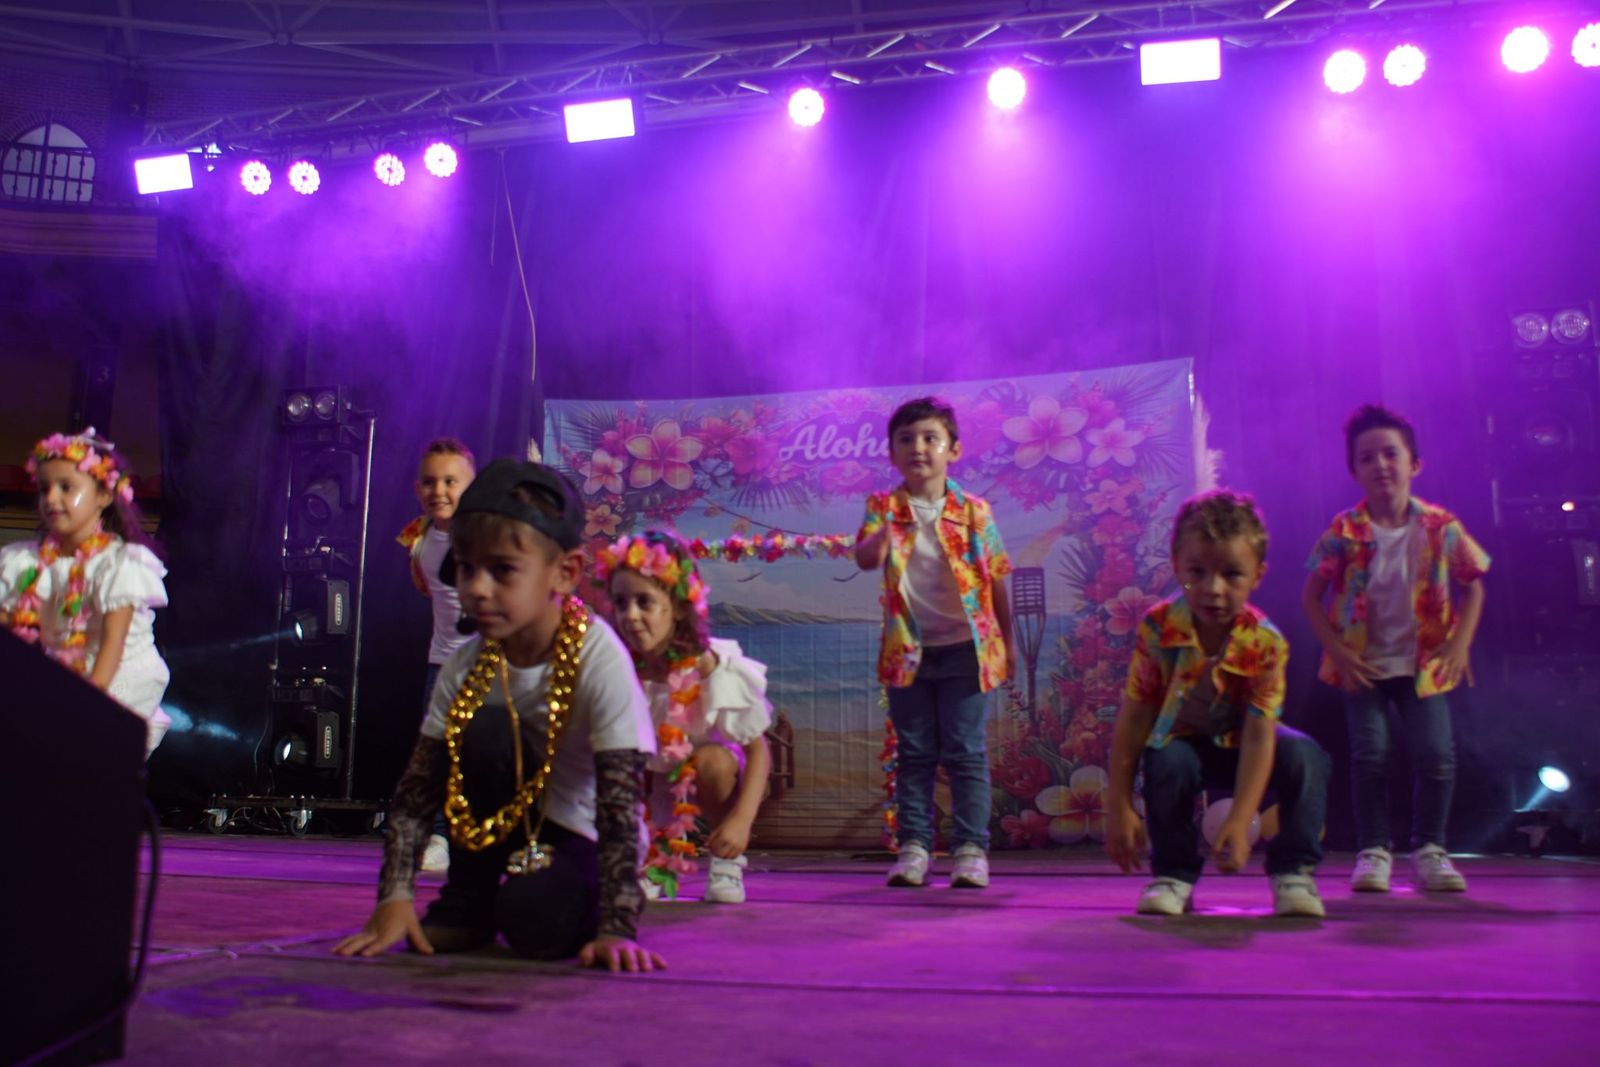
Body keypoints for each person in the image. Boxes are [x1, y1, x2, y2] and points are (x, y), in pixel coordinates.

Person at [335, 459, 663, 971]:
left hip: (581, 833)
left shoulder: (598, 655)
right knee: (483, 728)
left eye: (503, 570)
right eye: (467, 568)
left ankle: (542, 899)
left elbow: (620, 804)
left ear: (566, 573)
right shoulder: (467, 663)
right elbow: (417, 792)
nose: (478, 589)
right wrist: (393, 899)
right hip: (499, 824)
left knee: (536, 922)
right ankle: (471, 894)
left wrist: (616, 926)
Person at [1105, 490, 1330, 918]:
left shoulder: (1265, 643)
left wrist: (1241, 822)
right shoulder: (1158, 629)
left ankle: (1294, 872)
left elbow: (1261, 737)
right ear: (1176, 566)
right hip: (1186, 743)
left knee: (1305, 755)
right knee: (1166, 759)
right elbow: (1135, 719)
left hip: (1244, 744)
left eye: (1231, 574)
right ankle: (1173, 875)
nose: (1212, 589)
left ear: (1257, 575)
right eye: (1196, 573)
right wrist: (1117, 804)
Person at [1303, 404, 1489, 893]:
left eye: (1390, 454)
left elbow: (1473, 584)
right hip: (1363, 666)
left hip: (1422, 664)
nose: (1380, 464)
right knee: (1372, 755)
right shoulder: (1345, 530)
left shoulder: (1440, 526)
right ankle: (1374, 850)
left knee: (1436, 755)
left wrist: (1459, 643)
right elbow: (1310, 597)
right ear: (1354, 470)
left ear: (1414, 464)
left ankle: (1429, 848)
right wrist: (1337, 653)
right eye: (1368, 457)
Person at [855, 397, 1015, 889]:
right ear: (892, 452)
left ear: (953, 450)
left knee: (965, 751)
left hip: (967, 647)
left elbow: (996, 580)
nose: (918, 447)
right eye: (906, 439)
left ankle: (970, 849)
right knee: (915, 753)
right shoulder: (882, 508)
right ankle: (915, 848)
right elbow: (863, 558)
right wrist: (876, 544)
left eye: (930, 438)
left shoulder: (974, 511)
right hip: (909, 651)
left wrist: (1005, 642)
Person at [595, 530, 772, 904]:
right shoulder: (618, 666)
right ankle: (652, 858)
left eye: (645, 602)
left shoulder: (706, 666)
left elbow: (759, 753)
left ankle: (726, 863)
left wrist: (741, 822)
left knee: (714, 760)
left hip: (705, 774)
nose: (631, 616)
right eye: (621, 602)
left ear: (676, 605)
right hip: (649, 778)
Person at [1, 427, 170, 758]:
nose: (51, 498)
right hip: (64, 675)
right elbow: (15, 616)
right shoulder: (25, 561)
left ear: (104, 496)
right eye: (44, 488)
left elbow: (112, 643)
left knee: (86, 764)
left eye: (66, 487)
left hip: (118, 679)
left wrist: (86, 709)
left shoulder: (119, 564)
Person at [396, 437, 477, 871]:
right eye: (430, 482)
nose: (439, 490)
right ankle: (439, 838)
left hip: (490, 661)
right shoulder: (420, 537)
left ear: (471, 486)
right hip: (442, 662)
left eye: (451, 481)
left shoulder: (487, 534)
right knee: (437, 753)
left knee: (488, 750)